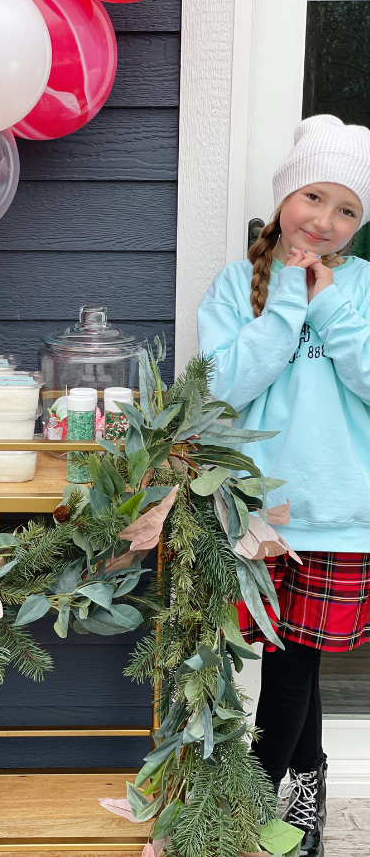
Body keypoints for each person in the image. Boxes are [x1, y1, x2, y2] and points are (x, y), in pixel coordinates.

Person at [197, 114, 370, 857]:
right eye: (314, 199)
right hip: (260, 514)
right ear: (284, 198)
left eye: (348, 210)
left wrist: (330, 302)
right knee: (290, 664)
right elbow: (227, 387)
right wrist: (293, 299)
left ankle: (250, 818)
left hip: (339, 515)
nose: (325, 221)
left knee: (292, 668)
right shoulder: (240, 284)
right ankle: (302, 813)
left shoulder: (361, 287)